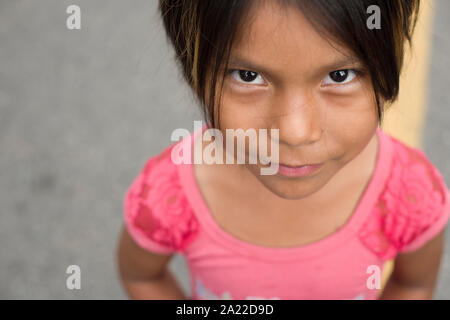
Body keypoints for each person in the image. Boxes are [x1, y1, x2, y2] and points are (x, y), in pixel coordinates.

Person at [116, 0, 450, 299]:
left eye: (339, 75)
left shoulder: (408, 195)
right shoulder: (170, 195)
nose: (295, 133)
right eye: (247, 76)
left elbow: (412, 285)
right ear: (194, 70)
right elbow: (142, 274)